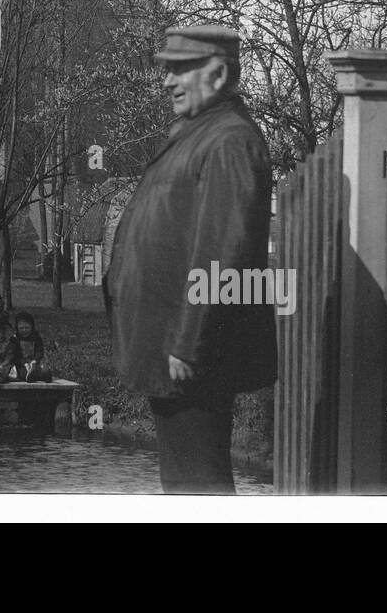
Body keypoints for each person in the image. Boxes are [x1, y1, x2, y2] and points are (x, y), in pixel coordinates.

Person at [105, 25, 277, 494]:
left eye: (181, 69)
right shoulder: (201, 134)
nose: (167, 81)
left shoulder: (228, 141)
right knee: (186, 484)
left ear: (218, 73)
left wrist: (190, 341)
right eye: (168, 69)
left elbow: (225, 251)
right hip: (172, 348)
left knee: (199, 486)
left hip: (191, 354)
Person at [9, 311, 54, 382]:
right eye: (21, 328)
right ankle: (31, 376)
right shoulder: (14, 339)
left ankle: (44, 374)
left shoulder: (36, 337)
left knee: (43, 368)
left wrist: (35, 360)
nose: (24, 330)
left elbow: (39, 351)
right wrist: (24, 362)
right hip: (22, 363)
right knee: (22, 372)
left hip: (35, 361)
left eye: (27, 328)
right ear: (17, 328)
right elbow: (15, 354)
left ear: (32, 327)